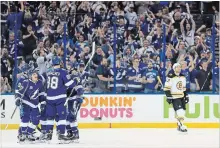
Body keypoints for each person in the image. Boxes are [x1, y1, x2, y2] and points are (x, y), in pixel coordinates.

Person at [44, 56, 79, 144]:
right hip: (59, 98)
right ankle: (61, 134)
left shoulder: (48, 72)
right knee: (62, 116)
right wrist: (76, 80)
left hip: (49, 98)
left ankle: (48, 134)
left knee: (50, 117)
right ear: (60, 63)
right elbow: (69, 84)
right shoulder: (63, 71)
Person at [15, 69, 45, 142]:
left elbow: (41, 93)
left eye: (36, 74)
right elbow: (19, 92)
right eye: (34, 74)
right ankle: (22, 134)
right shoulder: (26, 83)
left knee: (36, 120)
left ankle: (29, 133)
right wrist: (17, 99)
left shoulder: (40, 83)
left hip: (34, 105)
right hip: (26, 103)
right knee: (25, 118)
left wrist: (43, 102)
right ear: (30, 76)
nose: (36, 75)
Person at [164, 63, 189, 132]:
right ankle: (182, 126)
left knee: (183, 111)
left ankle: (179, 124)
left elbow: (183, 88)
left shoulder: (183, 77)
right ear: (174, 68)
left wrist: (186, 95)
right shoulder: (170, 76)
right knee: (179, 111)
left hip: (181, 96)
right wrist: (168, 96)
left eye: (180, 67)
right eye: (177, 67)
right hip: (174, 97)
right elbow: (166, 88)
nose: (179, 68)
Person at [66, 70, 84, 142]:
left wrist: (79, 94)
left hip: (75, 100)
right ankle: (69, 133)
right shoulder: (65, 79)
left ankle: (75, 134)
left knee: (72, 116)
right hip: (69, 100)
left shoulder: (76, 78)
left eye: (75, 71)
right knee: (67, 116)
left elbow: (80, 90)